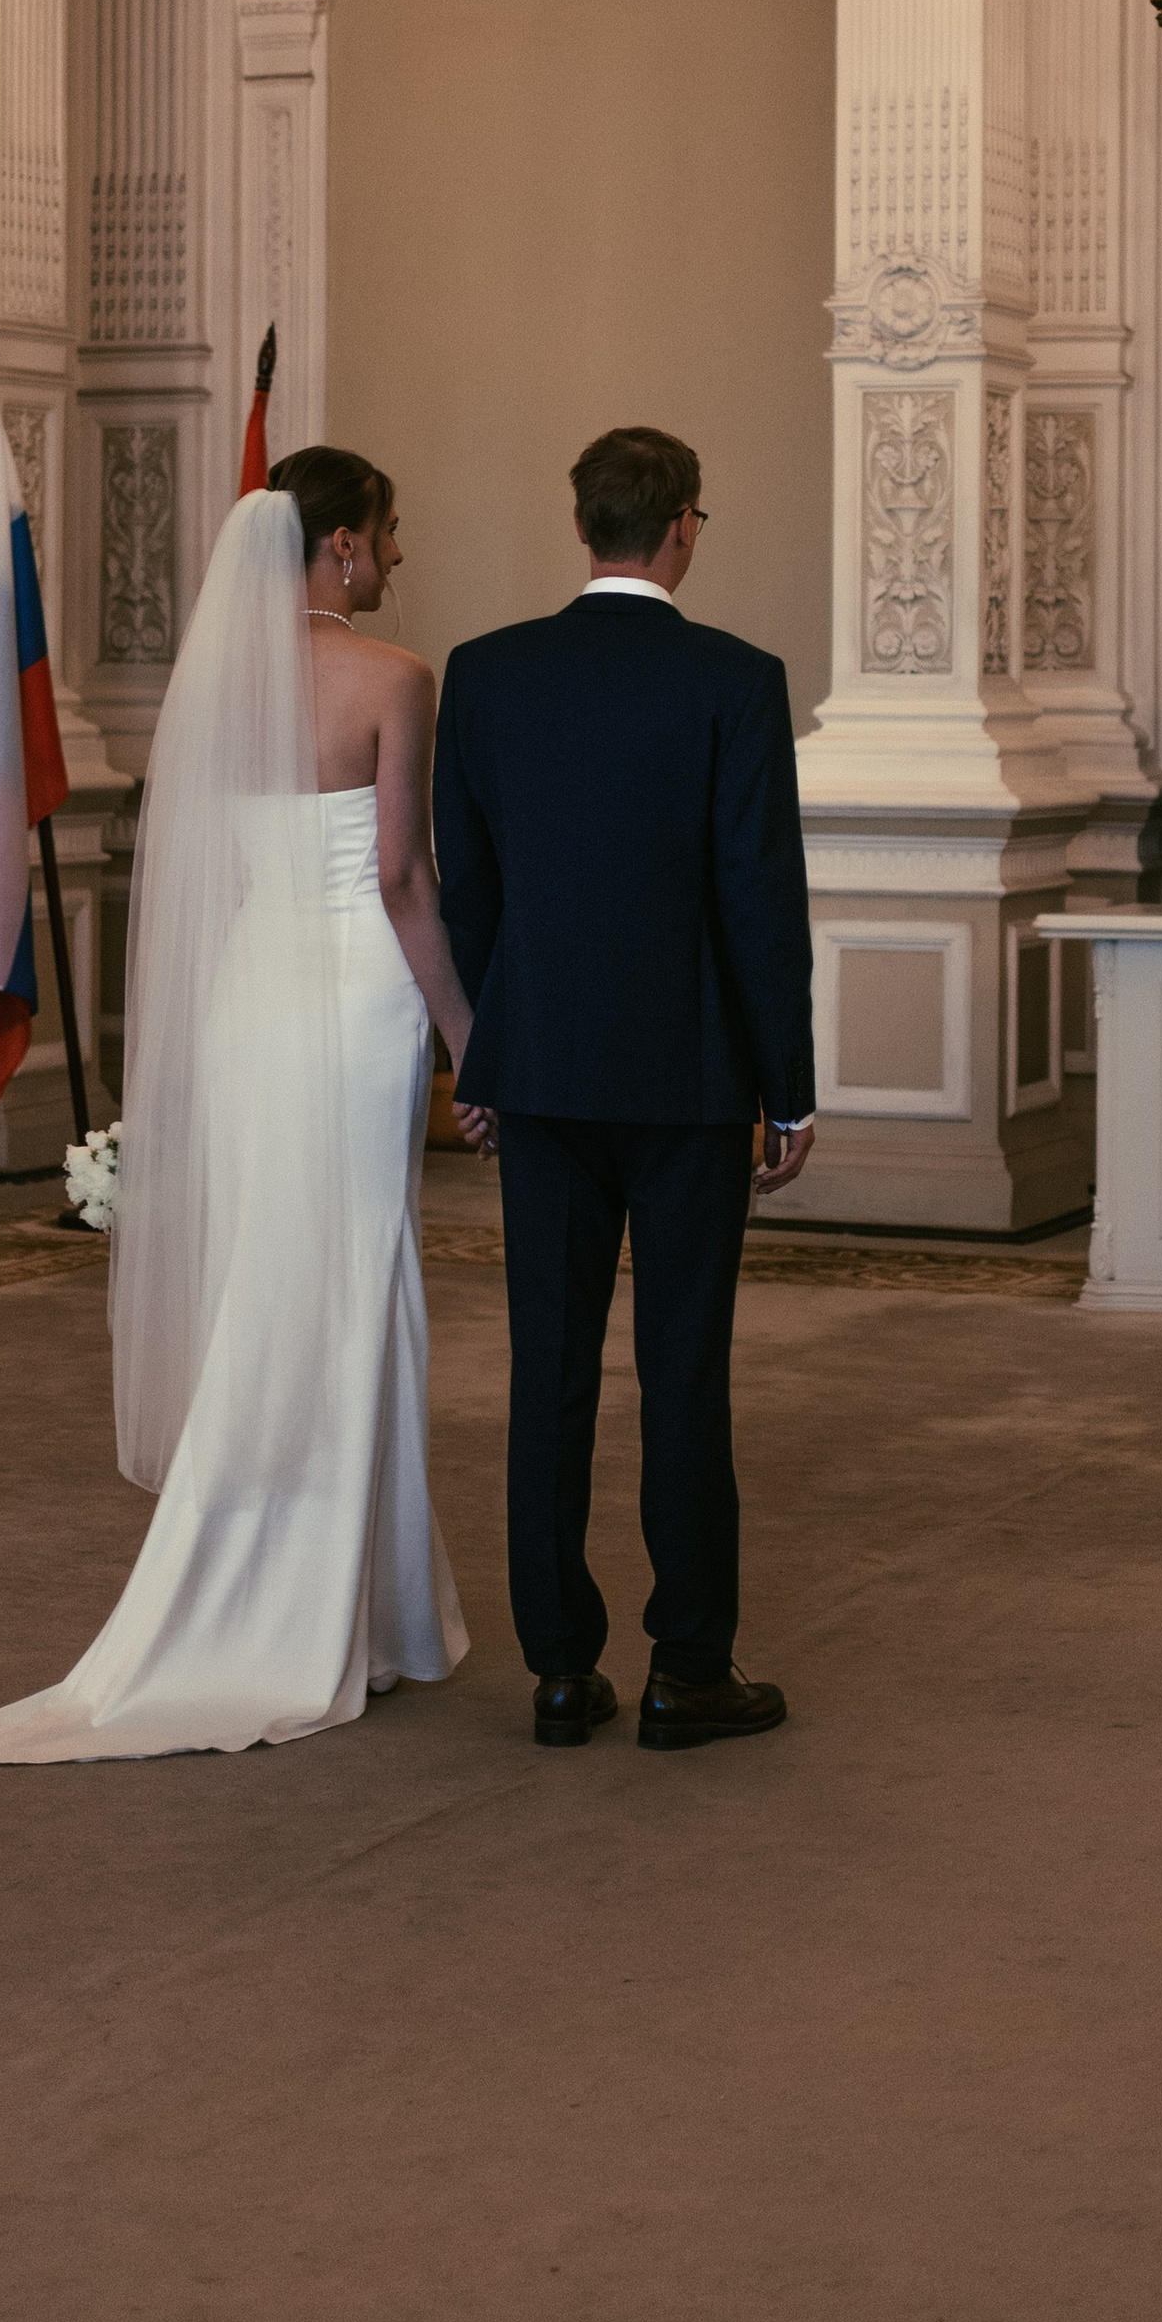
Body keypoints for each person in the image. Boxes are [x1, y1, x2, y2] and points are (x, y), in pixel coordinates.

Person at [0, 449, 470, 1763]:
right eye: (387, 531)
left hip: (251, 990)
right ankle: (323, 1607)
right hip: (355, 988)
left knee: (271, 1266)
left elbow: (218, 873)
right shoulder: (397, 677)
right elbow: (404, 877)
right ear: (341, 544)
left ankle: (353, 1600)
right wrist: (471, 1038)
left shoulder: (216, 683)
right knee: (354, 1271)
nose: (395, 555)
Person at [433, 425, 817, 1756]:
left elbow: (468, 888)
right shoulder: (736, 680)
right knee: (682, 1372)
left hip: (540, 1070)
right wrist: (789, 1087)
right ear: (683, 526)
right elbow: (758, 899)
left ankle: (558, 1668)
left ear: (581, 523)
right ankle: (688, 1668)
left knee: (548, 1368)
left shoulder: (487, 672)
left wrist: (483, 1051)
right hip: (690, 1080)